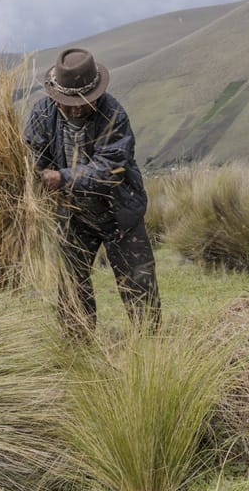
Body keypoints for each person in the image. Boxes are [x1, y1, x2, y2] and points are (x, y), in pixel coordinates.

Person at [24, 47, 161, 339]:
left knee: (139, 284)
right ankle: (78, 348)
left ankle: (151, 349)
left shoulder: (113, 114)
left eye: (82, 102)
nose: (74, 109)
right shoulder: (43, 112)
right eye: (67, 102)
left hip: (119, 215)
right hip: (73, 215)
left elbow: (110, 169)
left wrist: (61, 178)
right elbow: (33, 155)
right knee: (71, 285)